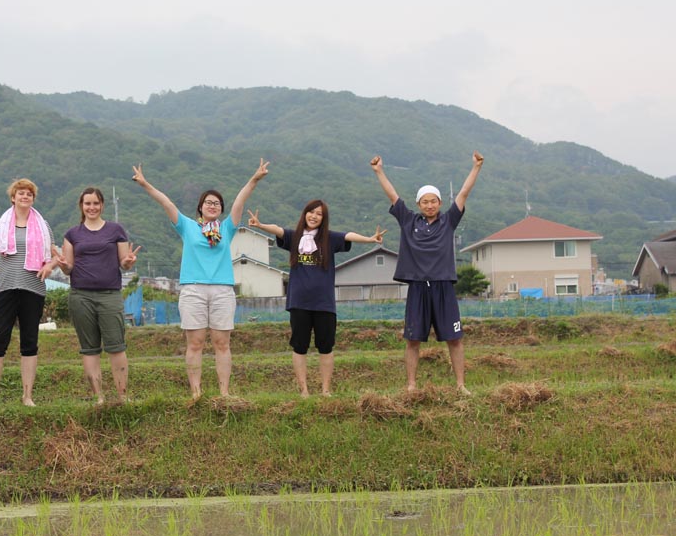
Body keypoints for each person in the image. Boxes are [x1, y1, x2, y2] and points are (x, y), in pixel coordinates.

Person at [132, 159, 269, 398]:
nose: (212, 205)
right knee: (195, 344)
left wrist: (254, 179)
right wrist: (145, 184)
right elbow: (167, 203)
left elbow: (240, 201)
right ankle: (196, 393)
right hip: (193, 290)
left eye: (217, 203)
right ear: (200, 207)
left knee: (222, 344)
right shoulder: (187, 226)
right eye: (208, 202)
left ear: (221, 209)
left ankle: (224, 394)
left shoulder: (227, 228)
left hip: (222, 291)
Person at [370, 151, 484, 395]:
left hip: (443, 286)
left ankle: (461, 385)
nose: (430, 205)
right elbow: (392, 194)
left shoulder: (449, 221)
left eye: (434, 201)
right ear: (419, 204)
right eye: (425, 201)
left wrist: (476, 167)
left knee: (455, 339)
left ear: (440, 204)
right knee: (413, 340)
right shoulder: (408, 220)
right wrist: (379, 171)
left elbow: (463, 193)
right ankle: (411, 385)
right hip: (418, 287)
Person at [247, 201, 384, 397]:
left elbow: (348, 235)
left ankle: (325, 390)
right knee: (299, 346)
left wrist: (370, 239)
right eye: (311, 212)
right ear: (304, 214)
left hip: (324, 303)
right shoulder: (295, 237)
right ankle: (304, 390)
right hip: (299, 302)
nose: (314, 216)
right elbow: (278, 230)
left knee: (326, 347)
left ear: (323, 218)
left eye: (319, 214)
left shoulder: (328, 238)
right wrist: (260, 225)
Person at [0, 179, 59, 407]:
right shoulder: (0, 223)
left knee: (29, 343)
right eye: (21, 193)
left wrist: (49, 266)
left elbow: (56, 255)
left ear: (33, 199)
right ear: (13, 197)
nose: (25, 197)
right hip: (5, 288)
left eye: (29, 194)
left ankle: (27, 396)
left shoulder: (43, 225)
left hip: (33, 289)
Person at [54, 187, 140, 404]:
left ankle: (122, 396)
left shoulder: (116, 230)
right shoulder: (72, 234)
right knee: (89, 349)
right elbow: (69, 267)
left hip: (110, 295)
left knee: (116, 346)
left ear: (102, 205)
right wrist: (63, 266)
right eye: (87, 203)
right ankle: (99, 398)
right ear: (81, 206)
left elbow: (124, 262)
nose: (91, 207)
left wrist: (128, 262)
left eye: (95, 203)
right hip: (80, 296)